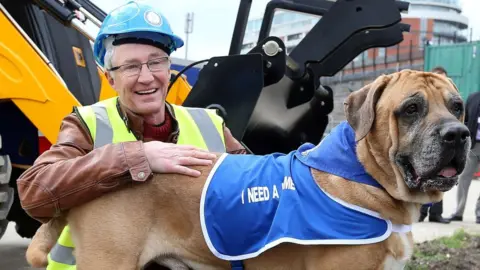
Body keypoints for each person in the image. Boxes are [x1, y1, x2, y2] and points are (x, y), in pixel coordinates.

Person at [16, 1, 246, 269]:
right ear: (110, 79)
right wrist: (136, 157)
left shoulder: (209, 124)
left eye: (156, 62)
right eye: (131, 67)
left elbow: (258, 188)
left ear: (169, 69)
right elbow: (35, 192)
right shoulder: (88, 124)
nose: (146, 77)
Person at [418, 66, 451, 224]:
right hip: (428, 142)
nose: (441, 81)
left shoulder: (449, 98)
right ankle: (422, 212)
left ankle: (436, 214)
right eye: (438, 77)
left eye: (444, 78)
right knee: (425, 178)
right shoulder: (424, 97)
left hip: (446, 144)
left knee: (444, 178)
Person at [447, 88, 480, 224]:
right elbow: (464, 119)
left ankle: (479, 213)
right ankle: (458, 212)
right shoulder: (473, 97)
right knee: (464, 178)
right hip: (473, 145)